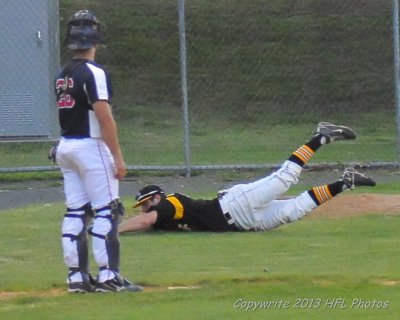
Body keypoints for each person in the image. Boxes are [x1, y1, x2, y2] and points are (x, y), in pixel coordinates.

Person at [118, 122, 376, 234]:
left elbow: (145, 221)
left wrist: (113, 231)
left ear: (157, 197)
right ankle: (346, 181)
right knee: (293, 211)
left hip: (234, 206)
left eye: (146, 203)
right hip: (241, 223)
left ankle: (321, 136)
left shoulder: (169, 203)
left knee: (284, 179)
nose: (146, 208)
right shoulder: (164, 216)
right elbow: (146, 223)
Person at [54, 10, 142, 293]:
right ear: (96, 42)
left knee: (76, 212)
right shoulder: (95, 72)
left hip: (66, 146)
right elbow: (104, 117)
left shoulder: (63, 74)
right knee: (107, 210)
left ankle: (76, 277)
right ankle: (108, 276)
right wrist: (117, 156)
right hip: (90, 147)